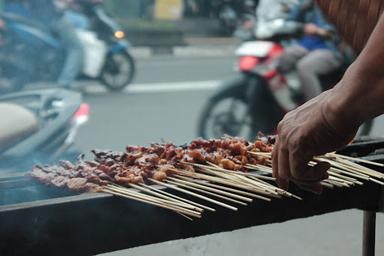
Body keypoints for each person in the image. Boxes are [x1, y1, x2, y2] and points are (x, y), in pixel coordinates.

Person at [272, 2, 384, 193]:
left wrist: (331, 109)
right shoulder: (304, 7)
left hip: (329, 51)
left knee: (306, 67)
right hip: (307, 46)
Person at [277, 0, 342, 101]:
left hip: (327, 50)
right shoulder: (306, 5)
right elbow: (289, 21)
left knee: (304, 66)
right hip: (305, 48)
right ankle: (291, 96)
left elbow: (336, 36)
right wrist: (300, 9)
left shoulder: (332, 7)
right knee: (284, 56)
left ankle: (315, 106)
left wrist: (318, 31)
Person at [29, 0, 84, 88]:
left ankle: (58, 77)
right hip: (55, 19)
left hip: (41, 20)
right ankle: (65, 81)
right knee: (76, 48)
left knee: (63, 48)